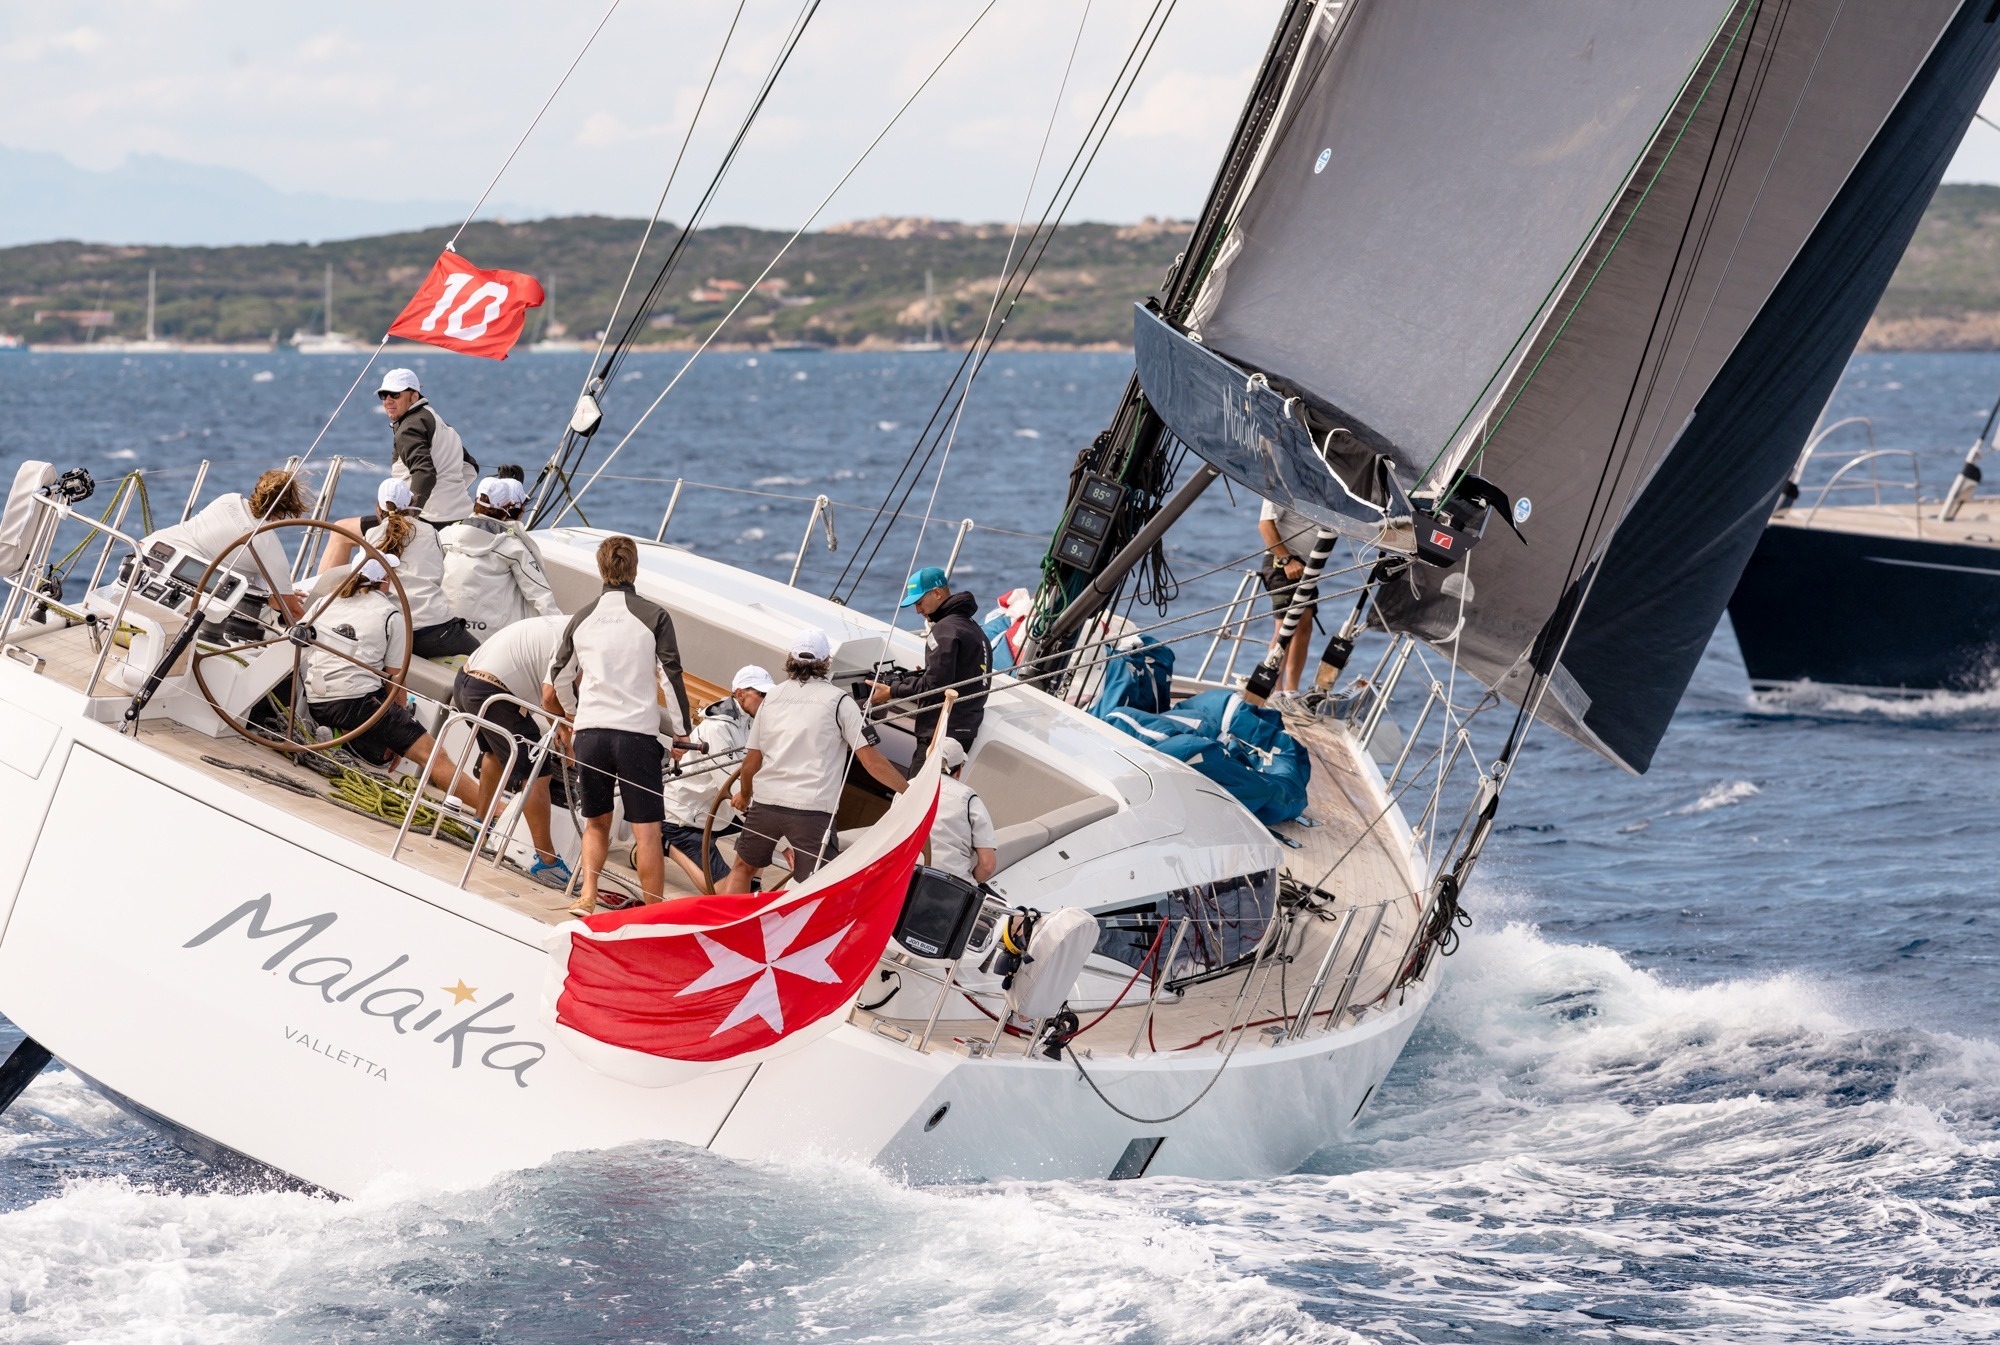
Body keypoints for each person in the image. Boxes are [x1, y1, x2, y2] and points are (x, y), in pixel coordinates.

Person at [542, 535, 691, 915]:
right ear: (635, 568)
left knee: (596, 822)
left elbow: (559, 677)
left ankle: (588, 897)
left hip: (591, 734)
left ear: (600, 568)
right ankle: (651, 912)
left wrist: (573, 714)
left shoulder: (582, 617)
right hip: (635, 737)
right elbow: (670, 676)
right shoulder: (655, 616)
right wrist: (681, 732)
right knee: (648, 830)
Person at [726, 627, 908, 893]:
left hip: (766, 805)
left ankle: (726, 921)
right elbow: (873, 763)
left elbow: (751, 762)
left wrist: (744, 795)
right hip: (811, 812)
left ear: (791, 659)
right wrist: (909, 791)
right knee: (816, 886)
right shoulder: (840, 702)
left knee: (742, 868)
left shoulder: (772, 698)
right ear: (826, 662)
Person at [303, 555, 474, 802]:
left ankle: (337, 739)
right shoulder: (390, 614)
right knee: (435, 756)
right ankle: (495, 813)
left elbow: (300, 638)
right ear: (385, 579)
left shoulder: (325, 602)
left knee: (371, 712)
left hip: (317, 701)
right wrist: (399, 737)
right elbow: (396, 682)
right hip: (356, 705)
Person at [451, 612, 573, 889]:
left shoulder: (562, 625)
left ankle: (479, 826)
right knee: (538, 771)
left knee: (495, 754)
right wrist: (566, 729)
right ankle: (548, 863)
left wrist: (563, 725)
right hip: (492, 691)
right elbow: (549, 696)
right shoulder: (577, 637)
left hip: (466, 682)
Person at [322, 479, 477, 658]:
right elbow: (438, 575)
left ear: (379, 507)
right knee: (479, 655)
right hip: (434, 632)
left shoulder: (371, 535)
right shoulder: (430, 531)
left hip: (391, 630)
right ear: (411, 505)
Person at [653, 664, 772, 892]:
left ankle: (752, 884)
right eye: (762, 694)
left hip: (717, 814)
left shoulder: (749, 723)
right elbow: (731, 786)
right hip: (685, 818)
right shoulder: (717, 729)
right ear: (740, 694)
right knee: (722, 893)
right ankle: (666, 843)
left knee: (769, 825)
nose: (766, 700)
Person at [139, 467, 307, 622]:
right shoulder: (269, 545)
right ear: (286, 510)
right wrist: (282, 596)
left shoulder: (228, 500)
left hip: (147, 551)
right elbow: (292, 611)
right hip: (182, 587)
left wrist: (280, 592)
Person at [867, 566, 991, 754]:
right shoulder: (974, 629)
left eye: (919, 602)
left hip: (940, 732)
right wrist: (927, 674)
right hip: (963, 732)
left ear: (937, 593)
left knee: (920, 775)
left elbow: (935, 684)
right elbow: (959, 677)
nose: (918, 611)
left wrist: (891, 691)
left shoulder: (945, 629)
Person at [438, 476, 560, 642]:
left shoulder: (446, 535)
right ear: (506, 509)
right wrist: (563, 632)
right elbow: (540, 595)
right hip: (494, 640)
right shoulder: (513, 547)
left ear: (476, 502)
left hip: (449, 631)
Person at [377, 369, 479, 525]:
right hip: (462, 516)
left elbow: (424, 473)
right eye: (384, 395)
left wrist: (410, 517)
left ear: (414, 396)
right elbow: (470, 466)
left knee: (342, 529)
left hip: (430, 520)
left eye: (395, 394)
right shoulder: (440, 423)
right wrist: (450, 496)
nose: (388, 401)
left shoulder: (408, 428)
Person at [1258, 498, 1320, 695]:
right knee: (1286, 625)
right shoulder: (1281, 487)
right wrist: (1286, 560)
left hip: (1306, 567)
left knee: (1304, 628)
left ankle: (1291, 691)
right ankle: (1274, 690)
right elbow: (1265, 524)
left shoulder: (1320, 492)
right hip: (1283, 563)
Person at [930, 738, 997, 885]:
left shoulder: (907, 787)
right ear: (959, 769)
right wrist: (967, 884)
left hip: (904, 874)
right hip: (948, 884)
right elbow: (987, 865)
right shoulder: (970, 800)